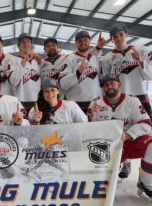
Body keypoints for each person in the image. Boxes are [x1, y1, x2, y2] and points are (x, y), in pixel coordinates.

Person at [87, 74, 152, 203]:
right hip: (104, 146)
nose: (109, 86)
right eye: (106, 84)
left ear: (119, 85)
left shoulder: (132, 100)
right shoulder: (96, 102)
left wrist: (127, 135)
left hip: (128, 141)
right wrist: (91, 117)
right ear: (103, 88)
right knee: (98, 189)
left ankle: (146, 183)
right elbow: (87, 132)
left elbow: (146, 123)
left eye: (112, 83)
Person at [101, 24, 152, 119]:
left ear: (126, 34)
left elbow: (150, 76)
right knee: (124, 130)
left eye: (121, 34)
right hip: (119, 100)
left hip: (141, 98)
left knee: (147, 129)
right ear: (112, 40)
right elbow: (105, 84)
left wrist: (141, 61)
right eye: (115, 36)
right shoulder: (107, 59)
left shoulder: (141, 50)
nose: (119, 38)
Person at [58, 30, 105, 113]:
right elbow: (62, 84)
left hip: (96, 103)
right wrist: (78, 72)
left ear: (89, 42)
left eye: (85, 40)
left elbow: (102, 81)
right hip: (76, 104)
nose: (83, 42)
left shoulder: (96, 59)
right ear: (75, 43)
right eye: (80, 41)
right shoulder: (70, 58)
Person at [7, 33, 41, 114]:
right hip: (20, 101)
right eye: (23, 42)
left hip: (37, 101)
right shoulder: (14, 60)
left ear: (31, 44)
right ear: (18, 46)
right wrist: (23, 62)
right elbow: (13, 81)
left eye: (28, 41)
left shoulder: (38, 60)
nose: (26, 44)